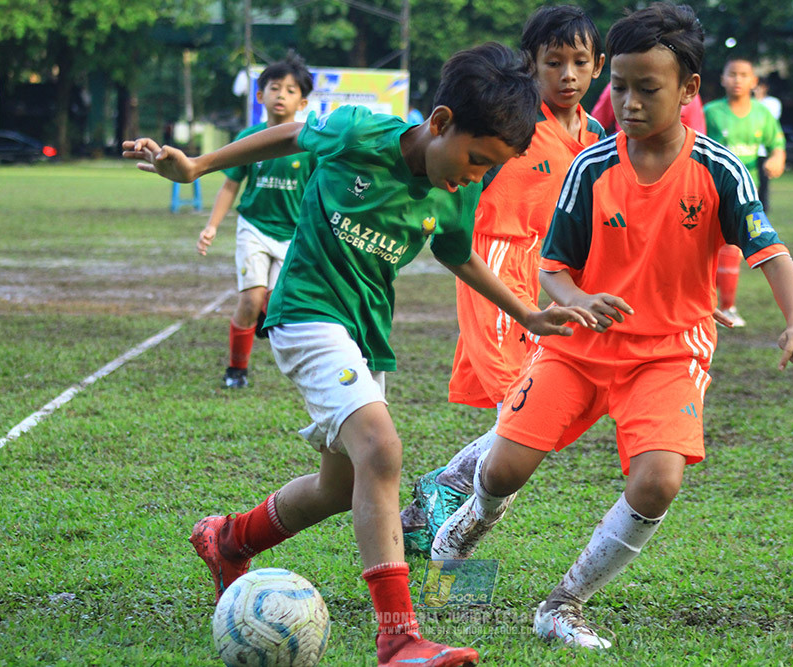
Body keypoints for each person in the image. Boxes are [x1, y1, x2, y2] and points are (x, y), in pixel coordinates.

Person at [123, 43, 595, 667]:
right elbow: (290, 135)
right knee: (382, 449)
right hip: (305, 315)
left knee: (339, 484)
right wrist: (199, 166)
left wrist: (528, 312)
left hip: (364, 336)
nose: (476, 176)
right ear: (442, 121)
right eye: (477, 160)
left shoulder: (456, 191)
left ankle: (230, 538)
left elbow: (458, 254)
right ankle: (399, 636)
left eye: (492, 169)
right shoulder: (357, 131)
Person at [430, 3, 793, 651]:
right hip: (578, 348)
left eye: (647, 88)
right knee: (502, 470)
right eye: (621, 87)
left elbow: (771, 253)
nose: (629, 102)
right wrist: (576, 297)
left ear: (688, 89)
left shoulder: (720, 171)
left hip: (669, 353)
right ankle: (456, 538)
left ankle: (564, 603)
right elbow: (554, 266)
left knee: (658, 479)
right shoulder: (592, 167)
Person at [399, 4, 607, 556]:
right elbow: (453, 180)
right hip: (493, 265)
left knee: (533, 419)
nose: (566, 75)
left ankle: (433, 500)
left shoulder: (596, 135)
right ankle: (453, 562)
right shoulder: (510, 126)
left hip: (550, 273)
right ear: (530, 66)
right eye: (553, 62)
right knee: (522, 418)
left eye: (579, 62)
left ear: (597, 67)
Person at [196, 53, 315, 389]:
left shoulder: (310, 143)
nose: (281, 95)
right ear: (260, 95)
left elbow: (320, 190)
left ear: (302, 102)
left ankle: (266, 313)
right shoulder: (248, 138)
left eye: (291, 90)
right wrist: (212, 226)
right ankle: (237, 370)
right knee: (250, 298)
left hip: (293, 234)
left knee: (279, 304)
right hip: (255, 228)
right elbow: (230, 184)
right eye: (274, 88)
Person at [703, 58, 786, 327]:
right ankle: (715, 305)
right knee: (712, 249)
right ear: (723, 79)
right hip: (711, 186)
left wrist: (777, 158)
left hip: (747, 189)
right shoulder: (711, 112)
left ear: (754, 82)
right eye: (732, 74)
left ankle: (725, 306)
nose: (738, 79)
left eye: (744, 75)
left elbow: (778, 144)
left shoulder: (763, 114)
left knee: (731, 248)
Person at [592, 79, 705, 134]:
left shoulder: (690, 98)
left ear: (688, 90)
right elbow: (595, 128)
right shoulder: (612, 88)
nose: (631, 105)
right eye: (620, 88)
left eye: (649, 90)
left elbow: (696, 138)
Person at [753, 78, 782, 212]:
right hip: (750, 151)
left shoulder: (772, 102)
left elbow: (769, 119)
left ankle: (762, 210)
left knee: (763, 184)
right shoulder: (748, 104)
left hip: (763, 151)